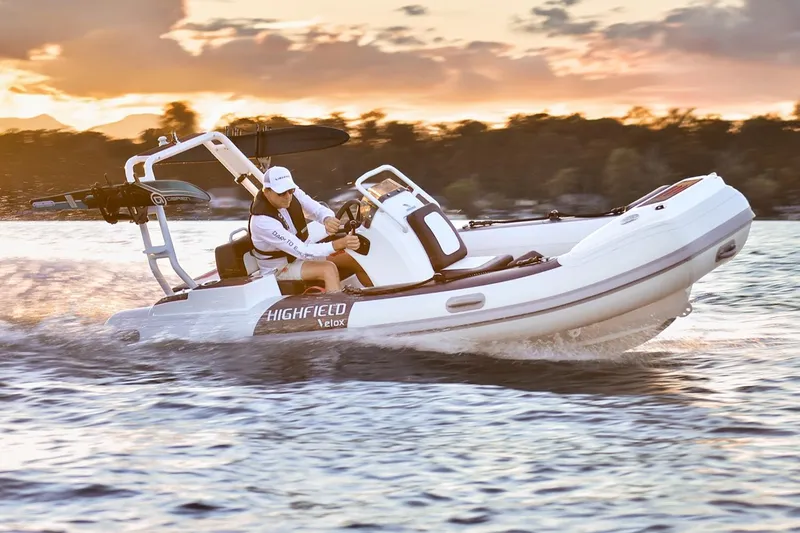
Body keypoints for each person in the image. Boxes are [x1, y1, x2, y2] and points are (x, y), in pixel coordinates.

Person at [249, 166, 372, 293]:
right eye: (281, 193)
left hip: (301, 256)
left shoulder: (292, 193)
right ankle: (337, 310)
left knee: (354, 260)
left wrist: (327, 218)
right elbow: (302, 251)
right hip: (279, 268)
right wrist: (339, 244)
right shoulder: (262, 222)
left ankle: (378, 296)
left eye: (290, 190)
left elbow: (317, 209)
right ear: (266, 192)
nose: (287, 196)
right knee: (327, 269)